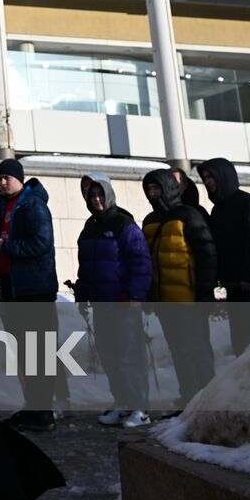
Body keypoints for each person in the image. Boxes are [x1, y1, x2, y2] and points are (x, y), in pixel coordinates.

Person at [72, 174, 154, 428]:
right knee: (110, 356)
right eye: (92, 196)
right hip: (101, 304)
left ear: (108, 194)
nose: (96, 200)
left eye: (100, 194)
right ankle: (122, 402)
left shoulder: (123, 225)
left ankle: (140, 407)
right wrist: (82, 295)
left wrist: (135, 294)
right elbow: (85, 267)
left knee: (130, 356)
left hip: (123, 303)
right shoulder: (89, 227)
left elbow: (140, 262)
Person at [0, 158, 58, 432]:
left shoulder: (32, 204)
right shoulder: (4, 204)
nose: (3, 182)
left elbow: (42, 242)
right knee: (24, 354)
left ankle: (43, 412)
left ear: (19, 177)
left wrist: (6, 246)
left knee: (38, 354)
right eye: (0, 177)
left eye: (7, 177)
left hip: (34, 290)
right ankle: (33, 408)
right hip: (11, 288)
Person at [142, 168, 217, 409]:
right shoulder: (149, 221)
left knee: (197, 350)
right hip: (165, 301)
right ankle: (187, 397)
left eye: (157, 188)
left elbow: (207, 254)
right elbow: (147, 261)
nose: (153, 194)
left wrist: (205, 292)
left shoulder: (189, 215)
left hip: (189, 299)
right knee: (178, 351)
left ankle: (207, 399)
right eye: (149, 189)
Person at [196, 158, 250, 355]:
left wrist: (249, 276)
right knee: (241, 342)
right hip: (234, 285)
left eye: (210, 176)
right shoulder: (218, 209)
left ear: (223, 176)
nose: (207, 182)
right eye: (204, 178)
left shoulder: (248, 203)